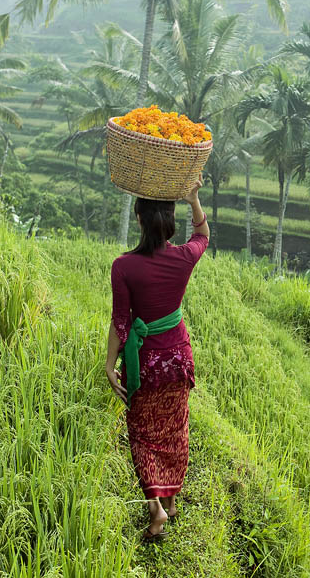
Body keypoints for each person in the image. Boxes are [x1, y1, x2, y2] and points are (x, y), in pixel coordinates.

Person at [105, 176, 210, 542]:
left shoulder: (124, 266)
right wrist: (194, 198)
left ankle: (156, 509)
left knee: (142, 434)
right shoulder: (183, 258)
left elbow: (121, 321)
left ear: (138, 219)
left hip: (145, 364)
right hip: (178, 360)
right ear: (168, 222)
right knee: (174, 429)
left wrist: (108, 366)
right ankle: (172, 498)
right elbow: (202, 237)